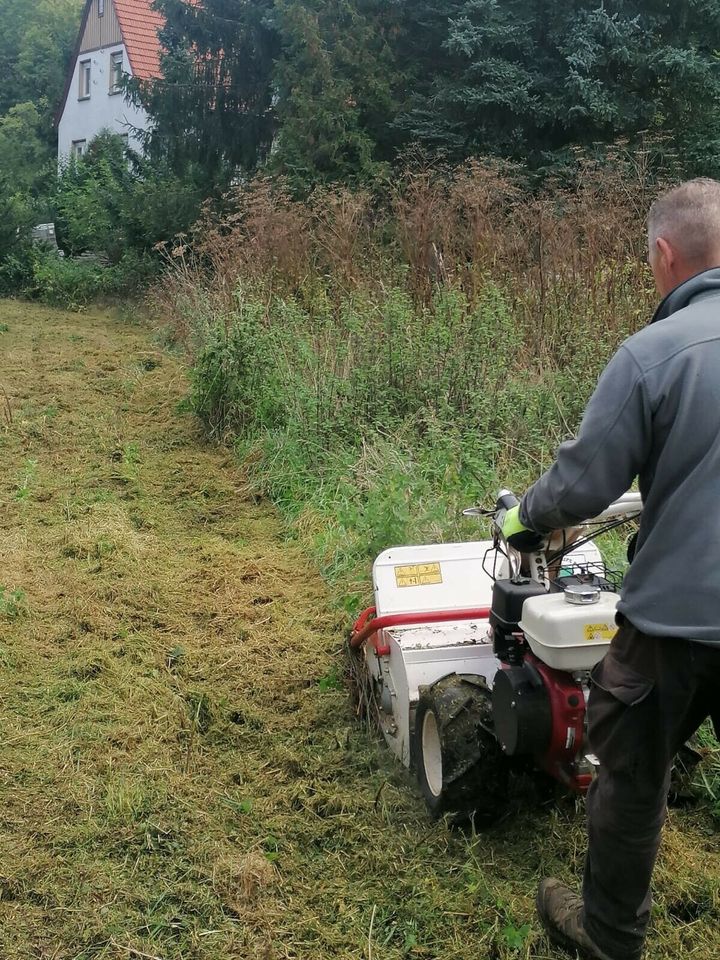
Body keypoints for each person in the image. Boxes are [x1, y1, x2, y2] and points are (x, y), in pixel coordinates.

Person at [501, 178, 720, 960]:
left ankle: (607, 936)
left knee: (628, 771)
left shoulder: (654, 353)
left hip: (677, 624)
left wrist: (520, 517)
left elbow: (582, 485)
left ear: (664, 256)